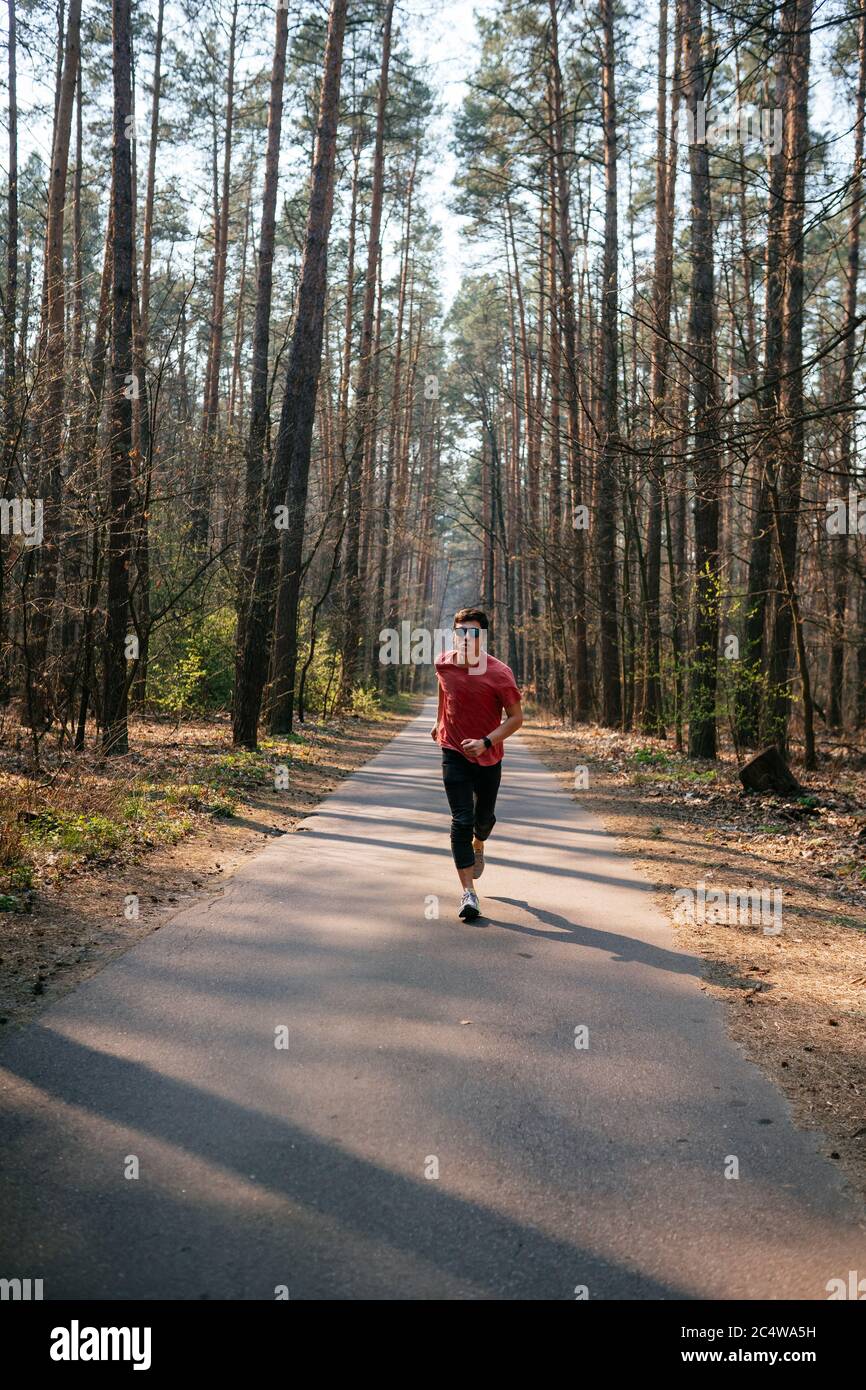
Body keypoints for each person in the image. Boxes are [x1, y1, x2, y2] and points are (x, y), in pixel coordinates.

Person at [431, 608, 523, 921]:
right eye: (460, 632)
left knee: (483, 820)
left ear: (482, 636)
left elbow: (516, 718)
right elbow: (444, 694)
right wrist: (438, 723)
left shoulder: (499, 673)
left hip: (488, 757)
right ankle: (468, 893)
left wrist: (485, 742)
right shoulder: (443, 662)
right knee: (461, 820)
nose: (465, 639)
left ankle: (479, 842)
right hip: (453, 750)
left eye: (472, 633)